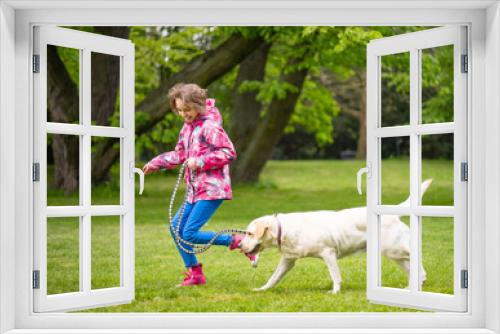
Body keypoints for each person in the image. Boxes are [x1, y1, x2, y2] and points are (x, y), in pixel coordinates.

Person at [142, 83, 253, 287]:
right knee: (176, 228)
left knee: (189, 233)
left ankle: (237, 241)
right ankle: (195, 275)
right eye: (180, 110)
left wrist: (201, 162)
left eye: (188, 110)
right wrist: (155, 163)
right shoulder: (187, 128)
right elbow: (180, 154)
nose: (184, 114)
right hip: (195, 189)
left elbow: (229, 152)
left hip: (212, 189)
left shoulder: (210, 127)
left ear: (199, 105)